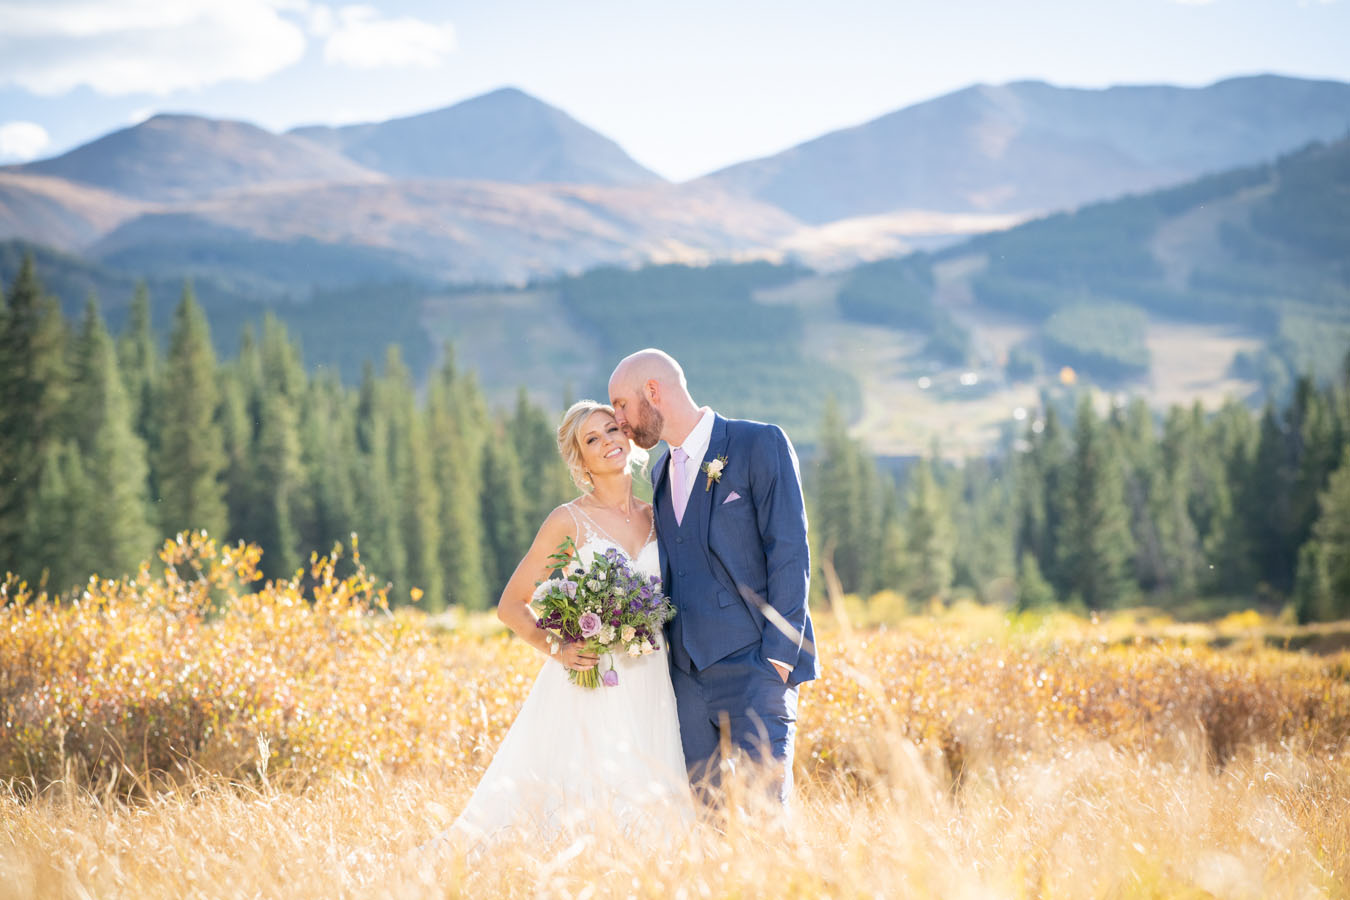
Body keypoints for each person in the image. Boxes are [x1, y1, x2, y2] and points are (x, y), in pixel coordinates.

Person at [440, 400, 693, 849]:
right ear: (581, 460)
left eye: (612, 430)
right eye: (591, 440)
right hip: (592, 682)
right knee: (590, 797)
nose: (607, 442)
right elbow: (511, 606)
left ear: (628, 437)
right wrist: (559, 649)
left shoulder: (660, 514)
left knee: (653, 793)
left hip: (653, 680)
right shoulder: (568, 520)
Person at [608, 349, 819, 806]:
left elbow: (790, 551)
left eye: (621, 404)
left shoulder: (757, 444)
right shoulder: (662, 471)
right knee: (704, 822)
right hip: (685, 680)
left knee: (765, 816)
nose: (618, 419)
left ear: (653, 391)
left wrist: (778, 660)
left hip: (757, 670)